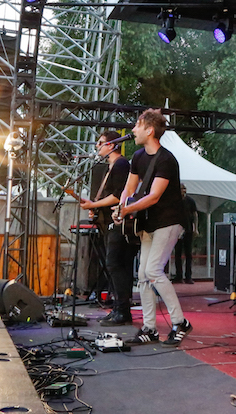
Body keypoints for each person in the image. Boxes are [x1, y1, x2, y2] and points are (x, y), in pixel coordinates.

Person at [117, 109, 192, 346]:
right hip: (149, 222)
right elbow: (129, 189)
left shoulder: (167, 160)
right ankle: (149, 328)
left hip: (169, 220)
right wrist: (121, 207)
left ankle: (180, 322)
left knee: (153, 271)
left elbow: (154, 196)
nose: (133, 130)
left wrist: (128, 210)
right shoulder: (138, 156)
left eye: (137, 125)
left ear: (149, 130)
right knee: (142, 275)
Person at [81, 131, 136, 325]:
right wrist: (95, 208)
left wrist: (93, 206)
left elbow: (117, 195)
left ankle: (122, 309)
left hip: (118, 223)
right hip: (108, 221)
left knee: (115, 263)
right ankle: (118, 308)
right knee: (112, 264)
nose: (98, 146)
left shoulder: (121, 164)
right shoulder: (110, 166)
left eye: (101, 143)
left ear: (112, 145)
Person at [172, 184, 198, 284]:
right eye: (181, 189)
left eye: (184, 189)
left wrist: (195, 228)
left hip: (188, 229)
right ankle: (179, 275)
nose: (183, 191)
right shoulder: (175, 201)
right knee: (177, 253)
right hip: (177, 230)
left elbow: (195, 215)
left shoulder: (190, 201)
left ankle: (188, 276)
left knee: (188, 254)